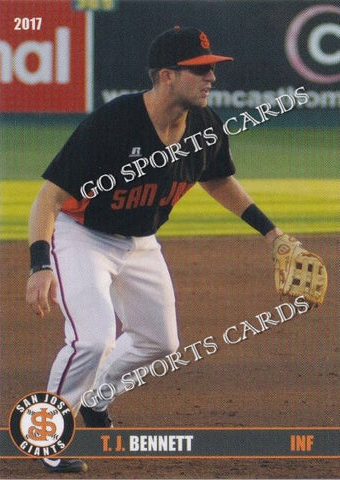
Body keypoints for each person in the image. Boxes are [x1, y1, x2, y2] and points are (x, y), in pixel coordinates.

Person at [26, 26, 283, 473]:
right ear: (166, 75)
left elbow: (217, 178)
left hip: (141, 243)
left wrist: (270, 232)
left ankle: (97, 396)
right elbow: (48, 197)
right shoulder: (114, 121)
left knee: (161, 342)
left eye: (212, 70)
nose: (212, 78)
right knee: (93, 337)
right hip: (83, 236)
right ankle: (46, 432)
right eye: (200, 70)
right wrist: (39, 264)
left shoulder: (205, 125)